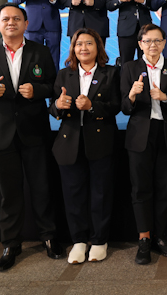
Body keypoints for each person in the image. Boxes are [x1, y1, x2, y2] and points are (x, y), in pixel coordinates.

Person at [0, 3, 63, 271]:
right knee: (10, 194)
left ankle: (49, 237)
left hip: (34, 132)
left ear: (26, 24)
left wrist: (37, 91)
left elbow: (53, 86)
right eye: (6, 19)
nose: (11, 22)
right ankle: (10, 243)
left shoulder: (40, 51)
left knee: (42, 188)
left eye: (16, 18)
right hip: (0, 134)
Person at [50, 28, 120, 264]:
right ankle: (79, 241)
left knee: (101, 193)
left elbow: (116, 106)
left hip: (101, 141)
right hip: (69, 142)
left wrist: (92, 107)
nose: (83, 48)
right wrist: (58, 105)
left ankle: (99, 240)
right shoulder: (64, 74)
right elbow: (52, 107)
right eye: (79, 44)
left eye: (89, 43)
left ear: (98, 47)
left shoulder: (111, 73)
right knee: (73, 194)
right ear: (73, 49)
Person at [121, 24, 167, 265]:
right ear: (140, 44)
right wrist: (132, 95)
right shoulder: (130, 68)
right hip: (139, 136)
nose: (152, 45)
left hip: (166, 133)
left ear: (164, 43)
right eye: (147, 41)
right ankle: (144, 237)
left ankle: (162, 235)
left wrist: (165, 97)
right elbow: (124, 108)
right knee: (140, 188)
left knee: (164, 187)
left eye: (157, 40)